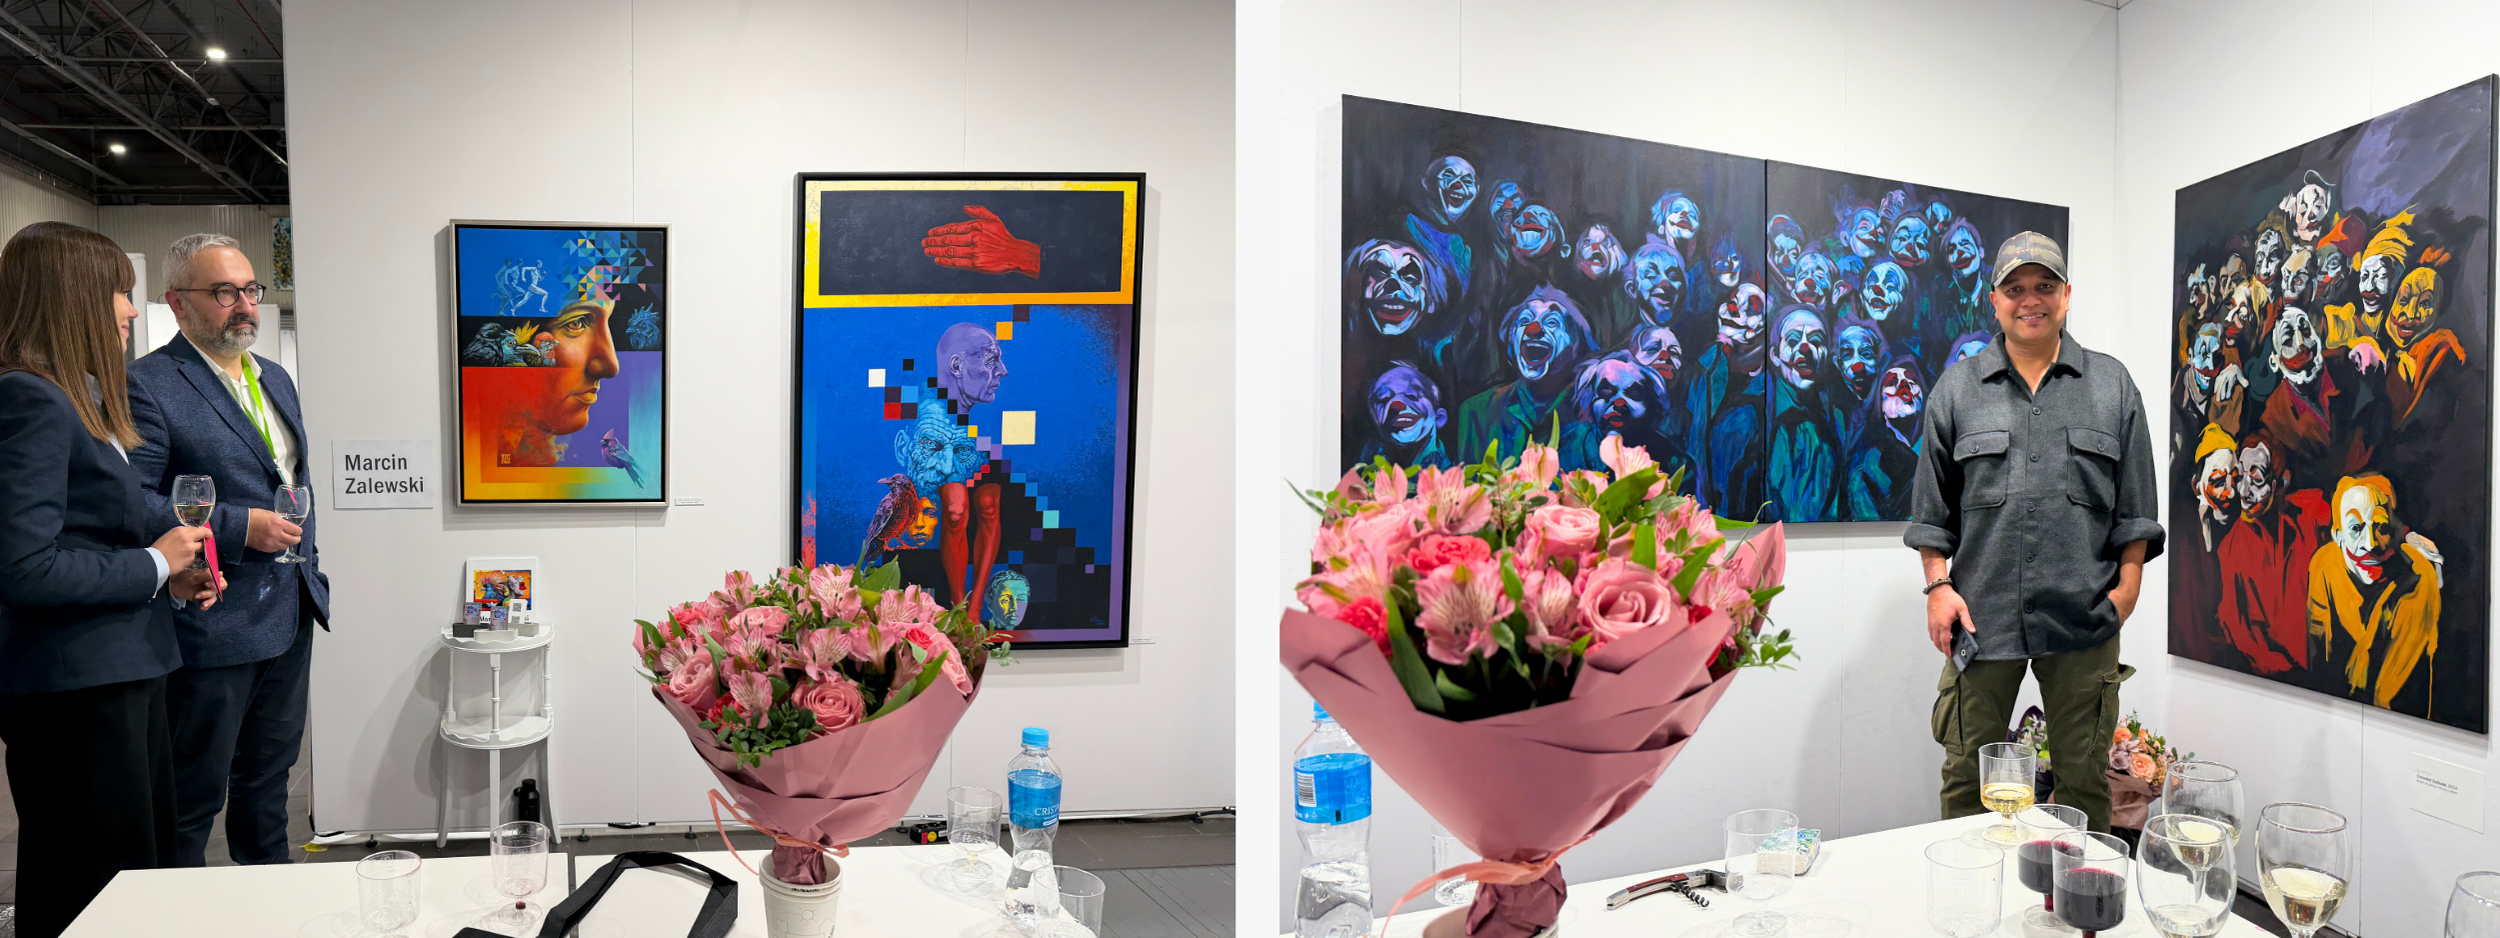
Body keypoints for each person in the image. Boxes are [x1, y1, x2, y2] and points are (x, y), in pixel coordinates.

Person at [0, 220, 219, 938]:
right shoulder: (30, 399)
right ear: (71, 298)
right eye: (119, 293)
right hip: (78, 696)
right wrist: (155, 561)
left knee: (131, 878)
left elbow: (86, 538)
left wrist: (167, 579)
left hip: (120, 677)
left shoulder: (77, 399)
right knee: (92, 890)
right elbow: (25, 567)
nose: (129, 310)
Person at [1905, 232, 2164, 833]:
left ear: (2066, 295)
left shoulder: (2112, 386)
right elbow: (1931, 512)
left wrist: (2127, 590)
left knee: (2084, 779)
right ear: (1994, 300)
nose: (2031, 300)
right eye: (2015, 288)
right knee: (1967, 777)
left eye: (2044, 286)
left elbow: (2136, 507)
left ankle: (2080, 892)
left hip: (2084, 618)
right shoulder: (1957, 390)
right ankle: (1972, 888)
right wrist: (1938, 587)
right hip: (1981, 619)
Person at [126, 233, 330, 867]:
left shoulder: (274, 377)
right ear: (177, 302)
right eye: (223, 292)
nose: (244, 305)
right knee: (193, 794)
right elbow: (132, 502)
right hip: (214, 618)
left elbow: (288, 477)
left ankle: (268, 896)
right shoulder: (148, 384)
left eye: (249, 290)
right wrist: (239, 527)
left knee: (269, 782)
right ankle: (180, 906)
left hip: (290, 607)